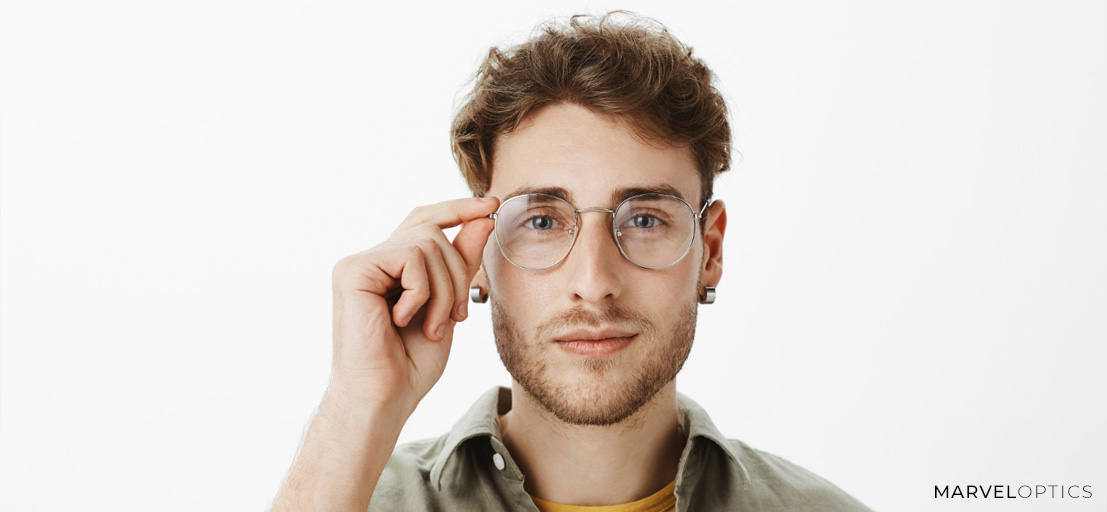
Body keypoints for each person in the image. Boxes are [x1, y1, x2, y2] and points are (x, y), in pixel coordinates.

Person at [271, 12, 872, 512]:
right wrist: (357, 408)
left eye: (644, 219)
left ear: (708, 252)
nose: (593, 284)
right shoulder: (351, 499)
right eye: (540, 221)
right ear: (476, 256)